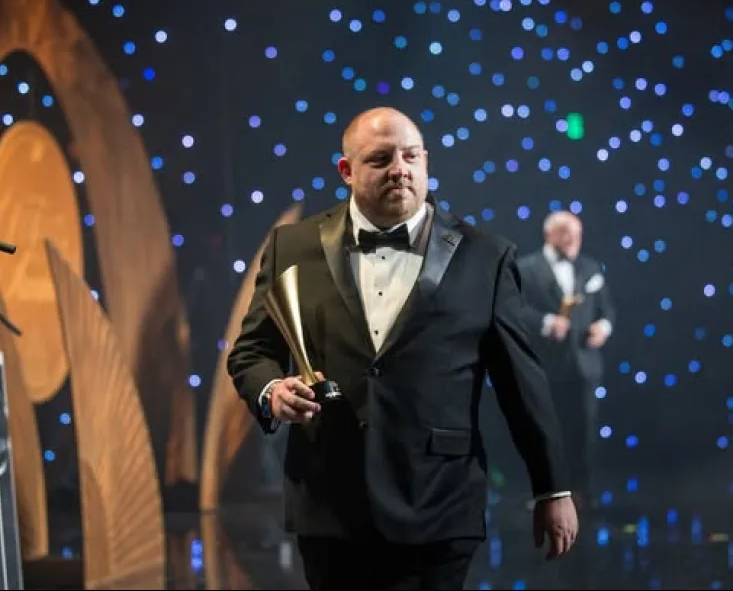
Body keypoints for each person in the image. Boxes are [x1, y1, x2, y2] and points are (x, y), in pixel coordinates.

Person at [227, 106, 578, 590]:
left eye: (412, 156)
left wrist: (551, 487)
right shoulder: (292, 245)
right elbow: (251, 351)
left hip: (440, 502)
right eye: (381, 158)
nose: (400, 168)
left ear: (427, 162)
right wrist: (272, 389)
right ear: (346, 172)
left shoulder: (486, 255)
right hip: (330, 502)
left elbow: (521, 382)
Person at [517, 211, 616, 588]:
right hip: (546, 366)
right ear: (551, 234)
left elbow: (607, 309)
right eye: (568, 233)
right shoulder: (526, 268)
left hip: (584, 367)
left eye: (578, 232)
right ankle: (544, 491)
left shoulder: (589, 267)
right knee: (546, 430)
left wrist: (601, 328)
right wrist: (546, 323)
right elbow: (516, 311)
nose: (575, 239)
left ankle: (580, 493)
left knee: (583, 431)